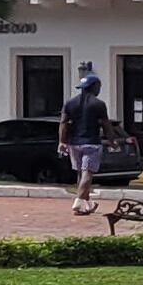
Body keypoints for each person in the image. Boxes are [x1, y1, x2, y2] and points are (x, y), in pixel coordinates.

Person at [60, 67, 114, 214]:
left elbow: (63, 124)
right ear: (94, 87)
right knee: (88, 173)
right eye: (99, 87)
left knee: (80, 173)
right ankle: (78, 201)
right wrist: (111, 141)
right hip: (91, 143)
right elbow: (106, 124)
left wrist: (62, 142)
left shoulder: (69, 103)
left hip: (74, 143)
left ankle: (87, 204)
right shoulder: (98, 104)